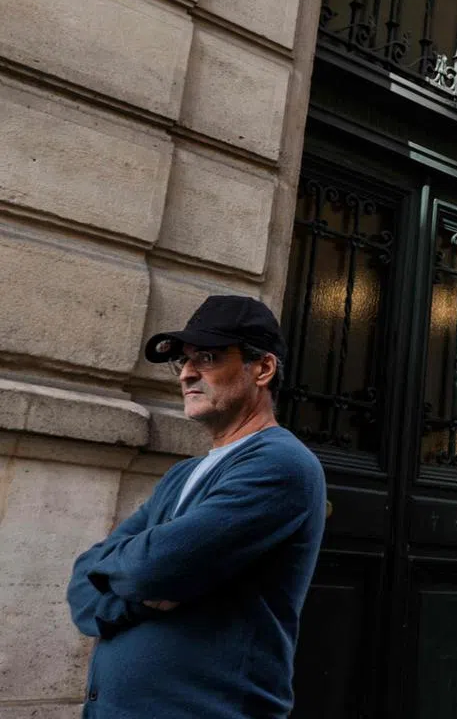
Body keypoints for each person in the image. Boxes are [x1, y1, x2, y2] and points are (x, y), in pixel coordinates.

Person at [66, 295, 327, 719]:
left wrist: (135, 577)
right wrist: (136, 597)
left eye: (207, 357)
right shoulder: (181, 475)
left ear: (262, 369)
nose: (187, 373)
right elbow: (82, 583)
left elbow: (152, 567)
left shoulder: (281, 464)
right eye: (183, 362)